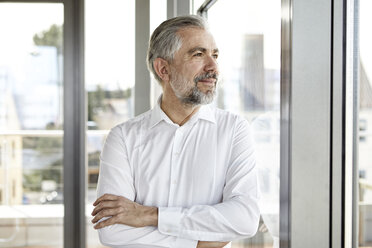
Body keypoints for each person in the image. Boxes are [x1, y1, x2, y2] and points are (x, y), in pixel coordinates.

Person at [91, 15, 260, 248]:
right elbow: (111, 231)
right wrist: (203, 242)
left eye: (215, 55)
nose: (213, 67)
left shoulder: (234, 130)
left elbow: (245, 219)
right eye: (198, 55)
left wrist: (150, 216)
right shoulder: (123, 138)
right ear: (163, 69)